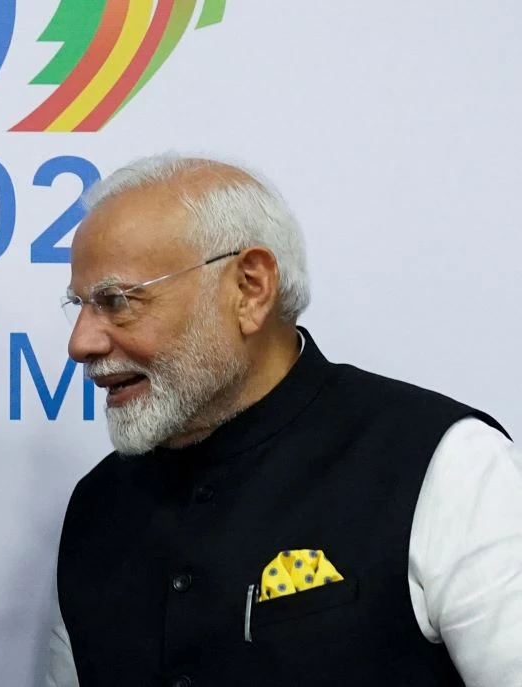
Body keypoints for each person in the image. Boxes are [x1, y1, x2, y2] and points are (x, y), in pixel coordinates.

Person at [44, 155, 522, 686]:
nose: (81, 343)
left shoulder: (447, 466)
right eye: (79, 305)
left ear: (250, 289)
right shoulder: (97, 506)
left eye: (117, 301)